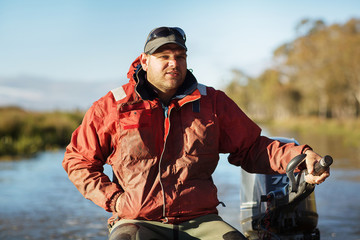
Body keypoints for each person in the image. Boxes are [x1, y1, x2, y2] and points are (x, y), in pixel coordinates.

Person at [62, 26, 330, 240]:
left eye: (179, 56)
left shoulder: (213, 102)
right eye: (163, 56)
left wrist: (301, 156)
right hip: (139, 221)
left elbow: (253, 148)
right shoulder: (113, 106)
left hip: (200, 220)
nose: (173, 63)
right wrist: (116, 200)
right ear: (145, 61)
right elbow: (77, 161)